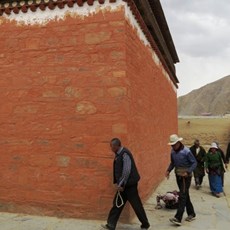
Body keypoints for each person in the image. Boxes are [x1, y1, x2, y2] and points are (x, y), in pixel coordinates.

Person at [101, 138, 150, 230]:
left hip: (130, 186)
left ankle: (145, 224)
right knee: (117, 204)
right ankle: (111, 225)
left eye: (111, 146)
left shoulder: (125, 154)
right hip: (124, 186)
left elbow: (126, 171)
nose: (110, 148)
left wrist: (120, 185)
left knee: (136, 205)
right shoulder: (118, 154)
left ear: (116, 146)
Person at [165, 134, 197, 226]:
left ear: (179, 143)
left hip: (185, 178)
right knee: (185, 194)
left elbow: (194, 163)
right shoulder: (172, 152)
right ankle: (192, 214)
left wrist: (187, 172)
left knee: (182, 196)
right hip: (178, 176)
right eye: (172, 145)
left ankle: (178, 218)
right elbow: (172, 163)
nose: (173, 146)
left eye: (174, 144)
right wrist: (168, 170)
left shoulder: (187, 151)